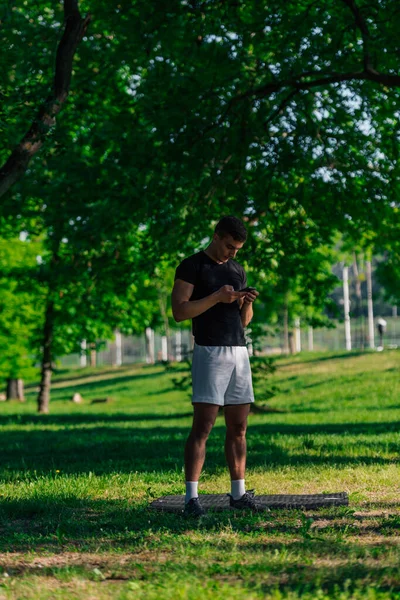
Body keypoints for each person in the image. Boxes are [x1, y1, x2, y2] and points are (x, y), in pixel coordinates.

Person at [171, 215, 262, 517]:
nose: (233, 253)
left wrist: (246, 303)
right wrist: (216, 297)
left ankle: (238, 494)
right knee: (203, 427)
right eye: (229, 246)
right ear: (216, 236)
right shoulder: (192, 266)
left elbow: (243, 321)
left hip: (239, 352)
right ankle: (191, 499)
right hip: (209, 352)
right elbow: (180, 312)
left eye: (237, 248)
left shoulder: (236, 270)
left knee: (238, 427)